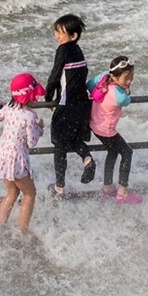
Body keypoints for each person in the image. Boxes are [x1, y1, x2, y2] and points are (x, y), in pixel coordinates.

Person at [44, 14, 95, 198]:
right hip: (82, 105)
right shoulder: (78, 50)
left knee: (59, 144)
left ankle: (59, 189)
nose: (57, 35)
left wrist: (48, 95)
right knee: (73, 139)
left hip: (66, 105)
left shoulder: (63, 50)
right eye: (56, 31)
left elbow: (56, 73)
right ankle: (87, 159)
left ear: (73, 36)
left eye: (61, 32)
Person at [0, 73, 45, 234]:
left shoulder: (8, 107)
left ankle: (0, 226)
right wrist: (39, 128)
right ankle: (22, 231)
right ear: (28, 98)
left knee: (12, 192)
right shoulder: (30, 116)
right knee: (30, 194)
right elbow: (31, 142)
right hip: (16, 160)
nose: (37, 99)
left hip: (2, 156)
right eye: (35, 96)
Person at [88, 56, 143, 204]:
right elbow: (126, 100)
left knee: (112, 151)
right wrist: (126, 89)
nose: (129, 81)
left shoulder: (103, 78)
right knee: (127, 153)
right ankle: (122, 193)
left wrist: (110, 75)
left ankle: (107, 188)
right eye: (126, 78)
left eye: (131, 76)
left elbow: (89, 84)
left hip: (95, 126)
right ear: (115, 76)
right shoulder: (118, 95)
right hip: (106, 130)